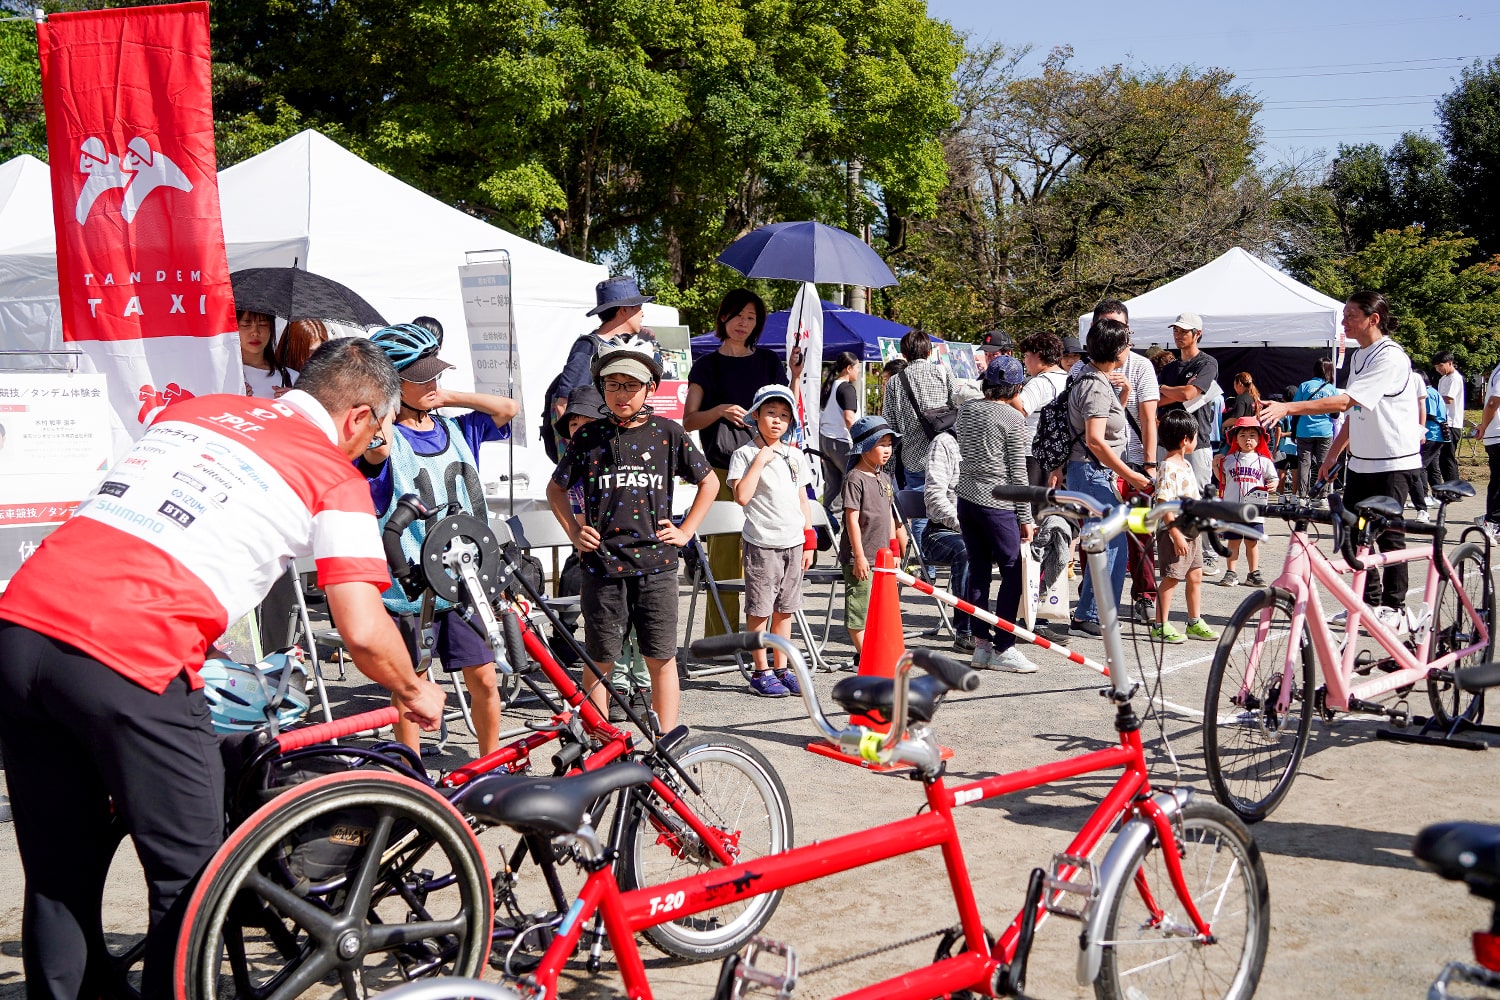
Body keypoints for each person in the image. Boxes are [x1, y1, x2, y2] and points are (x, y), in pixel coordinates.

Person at [0, 337, 446, 999]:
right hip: (133, 650)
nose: (371, 447)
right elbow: (360, 625)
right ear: (357, 417)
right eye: (376, 433)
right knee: (195, 885)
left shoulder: (199, 412)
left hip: (20, 627)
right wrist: (413, 688)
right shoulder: (333, 472)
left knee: (59, 870)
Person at [360, 323, 519, 755]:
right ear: (393, 384)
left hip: (466, 577)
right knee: (412, 685)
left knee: (484, 676)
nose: (432, 383)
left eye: (435, 375)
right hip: (412, 582)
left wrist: (443, 395)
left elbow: (507, 408)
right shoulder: (384, 441)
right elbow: (375, 450)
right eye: (420, 377)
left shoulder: (458, 428)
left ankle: (491, 762)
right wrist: (386, 404)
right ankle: (412, 770)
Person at [548, 339, 717, 731]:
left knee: (661, 658)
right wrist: (574, 530)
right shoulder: (588, 437)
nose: (621, 393)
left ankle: (667, 742)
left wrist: (686, 530)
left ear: (650, 388)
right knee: (600, 659)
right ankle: (599, 739)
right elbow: (556, 488)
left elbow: (708, 481)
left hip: (657, 566)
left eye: (630, 385)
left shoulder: (668, 433)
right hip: (602, 567)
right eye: (613, 384)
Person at [1259, 291, 1425, 629]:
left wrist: (1288, 407)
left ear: (1373, 319)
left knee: (1388, 534)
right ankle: (1367, 602)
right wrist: (1334, 453)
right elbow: (1356, 409)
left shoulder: (1391, 357)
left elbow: (1343, 402)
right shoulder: (1361, 355)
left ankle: (1394, 608)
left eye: (1350, 315)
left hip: (1394, 460)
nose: (1344, 321)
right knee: (1352, 531)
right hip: (1362, 461)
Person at [684, 289, 792, 634]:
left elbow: (788, 414)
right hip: (719, 469)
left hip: (769, 468)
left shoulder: (769, 363)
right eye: (738, 315)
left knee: (769, 554)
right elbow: (688, 420)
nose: (744, 323)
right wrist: (718, 410)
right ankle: (722, 637)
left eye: (751, 317)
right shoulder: (706, 365)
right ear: (723, 318)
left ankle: (765, 640)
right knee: (725, 555)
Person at [1072, 299, 1160, 624]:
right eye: (1110, 327)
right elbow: (1090, 433)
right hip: (1100, 467)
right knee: (1099, 539)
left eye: (1122, 328)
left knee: (1138, 534)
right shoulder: (1085, 371)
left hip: (1132, 463)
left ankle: (1143, 596)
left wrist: (1148, 465)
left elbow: (1149, 419)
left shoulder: (1140, 366)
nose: (1119, 335)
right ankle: (1091, 604)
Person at [729, 385, 814, 698]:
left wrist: (809, 538)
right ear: (755, 416)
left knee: (785, 610)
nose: (777, 420)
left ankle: (782, 667)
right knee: (760, 610)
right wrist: (760, 462)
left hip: (793, 541)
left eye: (784, 415)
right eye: (770, 413)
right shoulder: (746, 454)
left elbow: (802, 498)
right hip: (762, 543)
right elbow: (741, 496)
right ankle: (760, 669)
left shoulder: (794, 455)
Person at [956, 356, 1037, 672]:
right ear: (1017, 386)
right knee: (1013, 572)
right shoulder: (1013, 417)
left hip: (967, 497)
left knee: (978, 571)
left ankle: (981, 645)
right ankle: (1005, 645)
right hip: (999, 503)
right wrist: (1026, 517)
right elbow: (1018, 470)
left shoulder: (967, 411)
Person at [881, 328, 978, 545]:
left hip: (913, 456)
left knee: (921, 509)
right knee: (948, 502)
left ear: (904, 355)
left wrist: (889, 466)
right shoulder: (943, 373)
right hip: (947, 454)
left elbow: (890, 424)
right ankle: (950, 551)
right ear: (930, 351)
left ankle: (924, 565)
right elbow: (959, 407)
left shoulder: (896, 382)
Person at [543, 275, 653, 461]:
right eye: (638, 307)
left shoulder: (617, 346)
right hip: (590, 458)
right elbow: (564, 405)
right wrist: (582, 456)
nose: (642, 313)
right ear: (623, 310)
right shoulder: (588, 348)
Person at [840, 415, 907, 657]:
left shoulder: (885, 477)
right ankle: (868, 655)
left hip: (882, 559)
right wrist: (858, 556)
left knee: (879, 609)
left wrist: (894, 549)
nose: (887, 450)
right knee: (859, 609)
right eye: (881, 444)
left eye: (890, 444)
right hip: (862, 558)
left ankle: (871, 649)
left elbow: (889, 516)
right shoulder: (855, 478)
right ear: (864, 447)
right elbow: (851, 519)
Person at [1151, 409, 1215, 643]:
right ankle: (1160, 625)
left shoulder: (1186, 465)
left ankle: (1194, 621)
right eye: (1195, 436)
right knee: (1171, 577)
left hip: (1192, 531)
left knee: (1195, 575)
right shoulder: (1167, 467)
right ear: (1185, 439)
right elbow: (1163, 504)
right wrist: (1176, 535)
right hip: (1174, 532)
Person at [921, 418, 974, 653]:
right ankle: (966, 631)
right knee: (967, 549)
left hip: (979, 529)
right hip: (940, 531)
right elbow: (934, 498)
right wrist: (964, 524)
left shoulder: (988, 439)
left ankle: (1015, 624)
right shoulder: (944, 443)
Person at [1158, 311, 1219, 490]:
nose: (1178, 335)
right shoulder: (1169, 368)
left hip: (1196, 441)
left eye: (1183, 331)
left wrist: (1163, 389)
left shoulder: (1207, 363)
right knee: (1166, 493)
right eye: (1176, 331)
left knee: (1197, 496)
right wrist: (1179, 391)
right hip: (1166, 440)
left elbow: (1188, 394)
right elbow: (1156, 401)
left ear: (1197, 333)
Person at [1216, 417, 1276, 587]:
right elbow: (1222, 481)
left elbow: (1273, 478)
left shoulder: (1264, 461)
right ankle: (1231, 572)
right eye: (1242, 435)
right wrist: (1216, 466)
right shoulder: (1228, 460)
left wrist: (1273, 484)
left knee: (1252, 541)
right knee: (1233, 541)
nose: (1248, 439)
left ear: (1260, 439)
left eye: (1252, 435)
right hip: (1233, 509)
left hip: (1254, 510)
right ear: (1235, 438)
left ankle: (1253, 573)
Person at [1016, 332, 1069, 496]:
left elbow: (1019, 412)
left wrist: (1009, 394)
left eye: (1026, 356)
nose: (1025, 362)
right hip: (1063, 454)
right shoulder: (1069, 378)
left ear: (1038, 355)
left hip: (1036, 455)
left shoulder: (1039, 382)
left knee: (1034, 509)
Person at [818, 351, 861, 511]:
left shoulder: (830, 386)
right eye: (857, 368)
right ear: (849, 368)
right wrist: (860, 440)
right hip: (841, 441)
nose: (858, 371)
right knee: (853, 483)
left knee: (833, 486)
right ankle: (845, 526)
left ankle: (827, 527)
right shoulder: (846, 388)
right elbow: (849, 418)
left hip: (826, 440)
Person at [1292, 358, 1337, 503]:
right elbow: (1335, 414)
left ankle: (1302, 497)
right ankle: (1323, 497)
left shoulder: (1304, 386)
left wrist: (1293, 431)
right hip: (1324, 431)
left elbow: (1295, 409)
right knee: (1323, 463)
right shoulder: (1331, 389)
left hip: (1304, 430)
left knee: (1304, 464)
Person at [238, 308, 294, 397]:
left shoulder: (293, 379)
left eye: (263, 324)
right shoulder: (221, 377)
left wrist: (295, 404)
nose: (255, 332)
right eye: (246, 324)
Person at [1434, 350, 1465, 485]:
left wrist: (1432, 400)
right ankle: (1448, 487)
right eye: (1436, 367)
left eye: (1441, 366)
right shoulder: (1443, 379)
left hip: (1451, 424)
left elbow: (1449, 399)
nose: (1439, 369)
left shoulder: (1455, 378)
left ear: (1450, 363)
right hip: (1443, 422)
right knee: (1442, 458)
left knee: (1448, 458)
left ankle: (1455, 489)